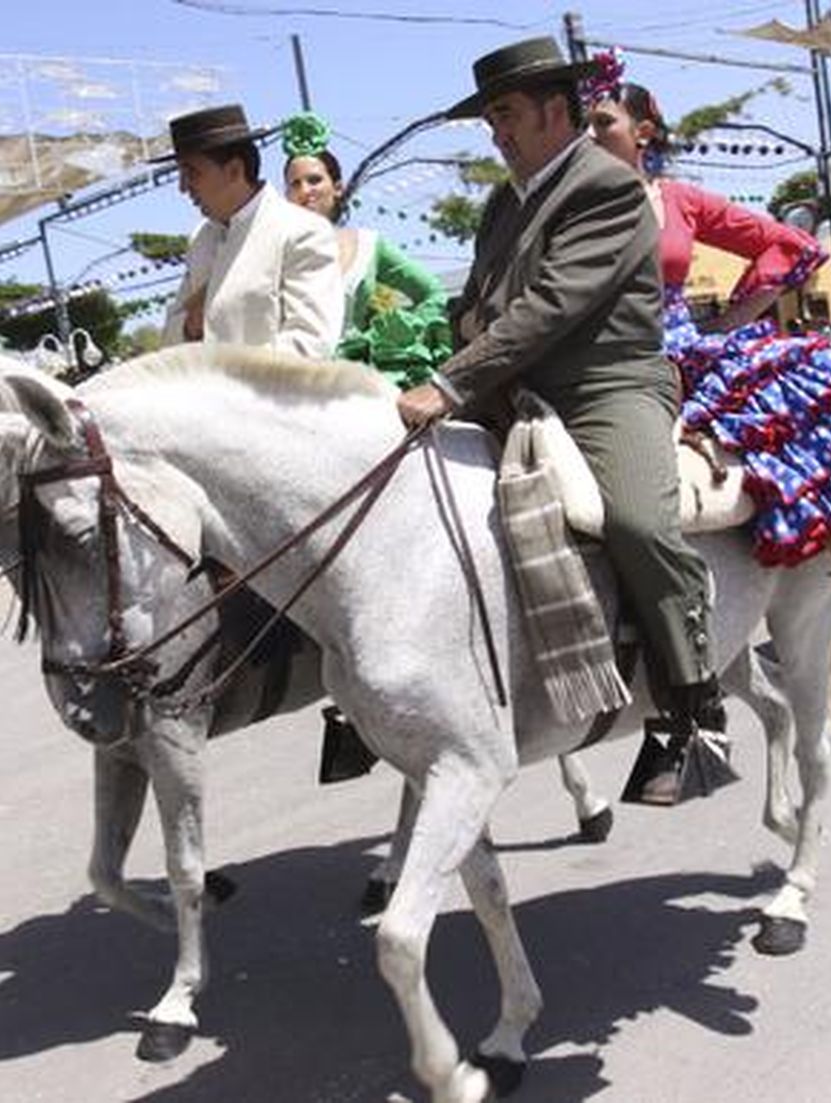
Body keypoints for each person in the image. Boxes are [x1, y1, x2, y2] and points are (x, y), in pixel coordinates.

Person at [397, 36, 722, 805]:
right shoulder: (503, 202)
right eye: (489, 120)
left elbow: (550, 307)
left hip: (605, 388)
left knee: (638, 521)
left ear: (554, 109)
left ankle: (691, 702)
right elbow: (478, 302)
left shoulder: (605, 186)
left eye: (505, 114)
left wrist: (450, 381)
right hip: (511, 387)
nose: (497, 132)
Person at [583, 60, 831, 594]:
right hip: (618, 356)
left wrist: (730, 321)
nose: (591, 137)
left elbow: (790, 245)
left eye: (603, 124)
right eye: (584, 126)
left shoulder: (678, 199)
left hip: (683, 345)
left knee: (812, 375)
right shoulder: (575, 207)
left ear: (643, 133)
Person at [158, 104, 344, 358]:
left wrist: (230, 384)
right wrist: (191, 327)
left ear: (234, 170)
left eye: (192, 173)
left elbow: (310, 345)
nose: (183, 187)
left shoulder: (302, 231)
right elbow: (169, 341)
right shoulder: (202, 239)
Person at [281, 112, 452, 388]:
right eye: (294, 184)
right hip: (291, 382)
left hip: (354, 383)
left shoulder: (368, 244)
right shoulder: (274, 248)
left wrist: (400, 335)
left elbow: (432, 291)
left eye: (314, 180)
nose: (305, 191)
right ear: (286, 195)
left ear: (337, 187)